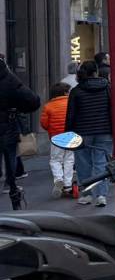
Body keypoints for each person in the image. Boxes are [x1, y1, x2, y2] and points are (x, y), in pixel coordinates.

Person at [66, 60, 113, 207]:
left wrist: (68, 134)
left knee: (83, 164)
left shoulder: (76, 91)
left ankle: (87, 195)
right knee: (101, 163)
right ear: (96, 72)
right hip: (104, 130)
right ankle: (101, 195)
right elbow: (112, 109)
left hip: (82, 132)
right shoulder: (107, 88)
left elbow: (71, 115)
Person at [0, 57, 40, 209]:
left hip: (6, 126)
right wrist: (17, 109)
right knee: (10, 158)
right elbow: (32, 101)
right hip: (7, 127)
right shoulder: (9, 79)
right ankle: (12, 189)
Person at [40, 82, 74, 198]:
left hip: (56, 136)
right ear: (65, 92)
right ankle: (68, 184)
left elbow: (44, 124)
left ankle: (59, 179)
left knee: (55, 160)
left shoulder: (48, 106)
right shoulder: (71, 103)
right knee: (69, 159)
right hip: (70, 135)